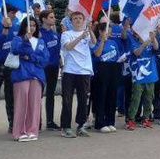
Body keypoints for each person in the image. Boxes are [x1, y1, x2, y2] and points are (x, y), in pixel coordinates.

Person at [9, 17, 49, 141]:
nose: (31, 28)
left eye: (33, 25)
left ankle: (32, 130)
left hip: (37, 75)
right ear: (23, 27)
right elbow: (15, 50)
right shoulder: (18, 39)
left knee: (35, 104)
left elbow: (45, 59)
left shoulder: (41, 42)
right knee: (21, 104)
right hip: (22, 74)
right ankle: (19, 132)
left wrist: (30, 57)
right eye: (28, 25)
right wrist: (25, 41)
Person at [60, 10, 95, 138]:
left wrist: (90, 30)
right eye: (75, 18)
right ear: (71, 21)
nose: (78, 20)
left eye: (80, 18)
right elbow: (68, 47)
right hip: (70, 71)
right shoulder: (66, 34)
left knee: (83, 100)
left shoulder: (87, 33)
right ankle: (66, 127)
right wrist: (80, 37)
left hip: (84, 71)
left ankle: (81, 125)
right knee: (67, 100)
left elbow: (94, 43)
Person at [0, 5, 20, 135]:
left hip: (11, 65)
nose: (15, 15)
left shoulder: (17, 28)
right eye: (13, 12)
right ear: (6, 13)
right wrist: (4, 29)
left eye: (15, 13)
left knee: (11, 96)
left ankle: (13, 125)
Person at [91, 21, 122, 132]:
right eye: (106, 31)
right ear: (100, 31)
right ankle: (100, 122)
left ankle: (110, 121)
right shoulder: (95, 42)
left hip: (113, 68)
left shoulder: (113, 42)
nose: (108, 33)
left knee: (112, 95)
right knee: (101, 96)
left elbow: (117, 55)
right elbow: (97, 54)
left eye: (110, 31)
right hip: (101, 69)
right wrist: (102, 42)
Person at [126, 29, 158, 130]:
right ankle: (131, 120)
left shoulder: (150, 43)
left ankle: (146, 118)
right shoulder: (133, 43)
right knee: (136, 98)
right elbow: (136, 52)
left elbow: (156, 48)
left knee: (149, 98)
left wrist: (153, 38)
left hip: (150, 76)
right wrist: (144, 44)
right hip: (138, 77)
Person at [39, 9, 61, 130]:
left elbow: (57, 49)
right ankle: (37, 121)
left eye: (53, 17)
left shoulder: (54, 33)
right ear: (44, 19)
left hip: (54, 66)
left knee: (51, 94)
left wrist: (60, 61)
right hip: (43, 67)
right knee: (38, 95)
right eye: (51, 17)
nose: (54, 19)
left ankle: (50, 121)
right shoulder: (39, 33)